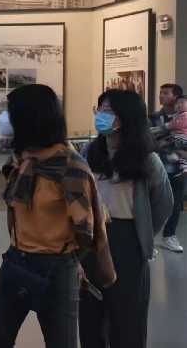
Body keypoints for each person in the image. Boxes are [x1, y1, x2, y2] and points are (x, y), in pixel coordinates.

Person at [0, 84, 116, 348]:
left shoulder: (70, 167)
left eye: (12, 114)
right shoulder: (21, 159)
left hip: (56, 269)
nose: (6, 120)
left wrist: (72, 261)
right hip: (16, 260)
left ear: (30, 119)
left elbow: (87, 229)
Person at [79, 90, 172, 348]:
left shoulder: (147, 159)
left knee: (127, 313)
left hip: (127, 238)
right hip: (91, 236)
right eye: (100, 109)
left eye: (108, 111)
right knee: (90, 310)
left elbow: (163, 203)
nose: (101, 115)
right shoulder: (89, 151)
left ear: (127, 116)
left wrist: (144, 231)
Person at [148, 84, 185, 253]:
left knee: (175, 204)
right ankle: (147, 240)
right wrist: (171, 140)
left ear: (176, 97)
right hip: (155, 167)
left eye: (166, 93)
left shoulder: (184, 117)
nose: (161, 96)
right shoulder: (153, 118)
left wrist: (168, 140)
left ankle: (169, 235)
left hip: (177, 168)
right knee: (150, 204)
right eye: (160, 93)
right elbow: (148, 138)